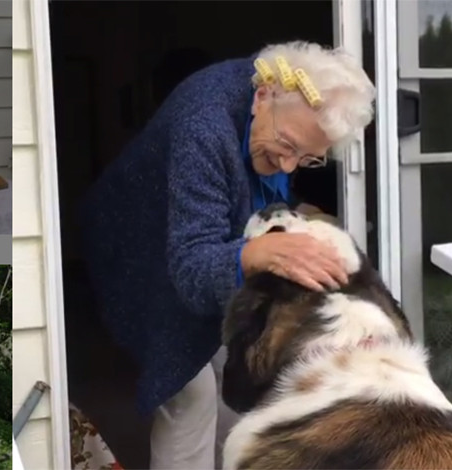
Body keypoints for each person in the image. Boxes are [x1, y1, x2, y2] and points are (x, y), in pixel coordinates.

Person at [78, 40, 375, 469]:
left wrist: (290, 220)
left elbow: (246, 205)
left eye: (308, 159)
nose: (289, 167)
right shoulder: (204, 123)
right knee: (189, 392)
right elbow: (193, 267)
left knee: (232, 370)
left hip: (199, 237)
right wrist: (259, 254)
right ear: (262, 96)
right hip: (138, 244)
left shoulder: (280, 106)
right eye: (287, 145)